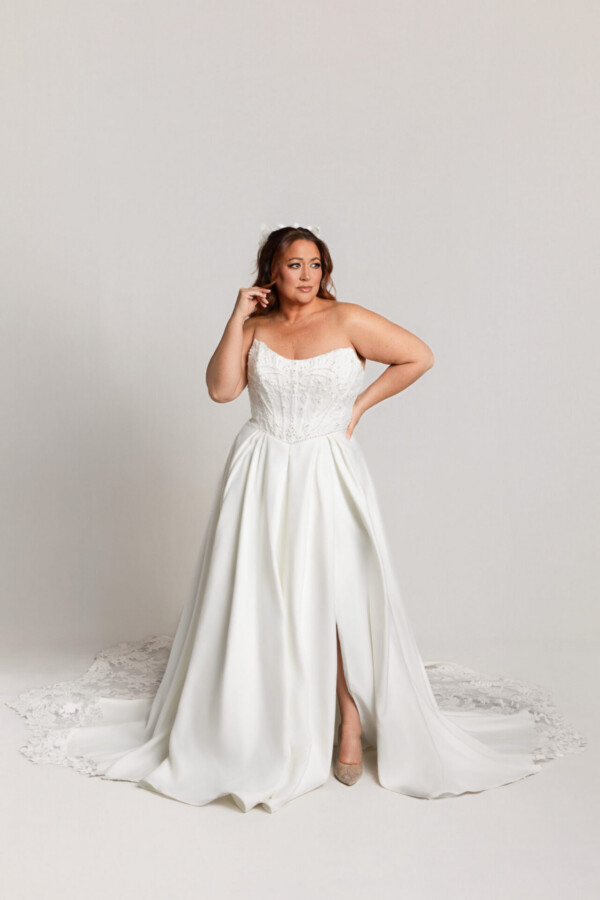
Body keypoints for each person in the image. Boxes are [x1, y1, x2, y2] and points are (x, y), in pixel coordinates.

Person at [6, 225, 586, 813]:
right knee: (264, 591)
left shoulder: (348, 319)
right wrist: (236, 315)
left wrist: (356, 405)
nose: (306, 275)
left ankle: (349, 717)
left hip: (325, 467)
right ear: (272, 273)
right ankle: (265, 716)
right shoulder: (254, 328)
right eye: (293, 265)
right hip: (261, 467)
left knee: (337, 592)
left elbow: (419, 355)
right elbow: (220, 390)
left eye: (314, 264)